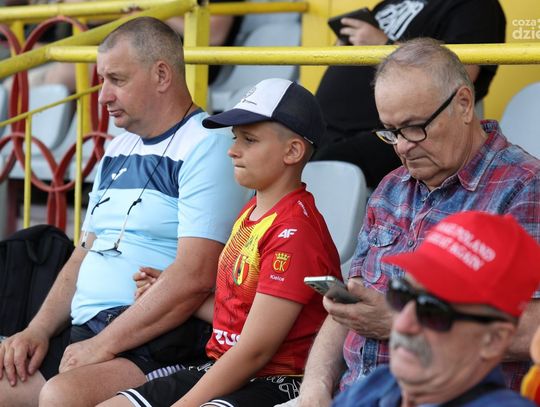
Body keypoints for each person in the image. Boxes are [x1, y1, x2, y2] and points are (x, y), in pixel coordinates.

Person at [0, 16, 248, 407]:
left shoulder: (207, 143)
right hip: (89, 330)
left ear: (162, 75)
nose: (103, 96)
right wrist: (37, 330)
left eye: (116, 79)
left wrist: (102, 345)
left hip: (158, 338)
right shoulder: (116, 148)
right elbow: (82, 253)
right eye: (102, 80)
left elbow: (194, 276)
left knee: (61, 396)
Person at [293, 38, 540, 407]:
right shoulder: (391, 187)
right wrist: (314, 387)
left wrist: (400, 322)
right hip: (351, 395)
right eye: (391, 131)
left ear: (463, 104)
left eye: (414, 127)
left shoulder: (525, 188)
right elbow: (350, 310)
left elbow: (534, 331)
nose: (402, 146)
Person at [98, 78, 341, 407]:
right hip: (225, 365)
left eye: (249, 140)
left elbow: (255, 351)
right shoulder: (253, 211)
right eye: (235, 137)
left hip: (278, 380)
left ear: (292, 151)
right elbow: (239, 315)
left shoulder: (295, 231)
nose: (232, 150)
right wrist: (166, 289)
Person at [333, 210, 540, 406]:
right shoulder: (377, 384)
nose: (402, 324)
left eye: (431, 311)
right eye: (401, 295)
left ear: (493, 340)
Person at [312, 0, 506, 188]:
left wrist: (383, 43)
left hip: (395, 134)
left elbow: (461, 75)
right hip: (327, 130)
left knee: (325, 163)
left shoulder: (476, 6)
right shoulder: (391, 3)